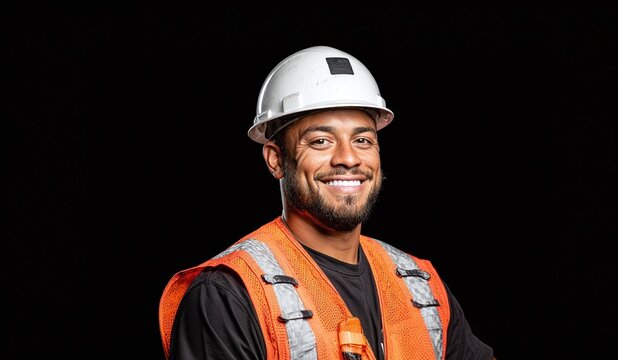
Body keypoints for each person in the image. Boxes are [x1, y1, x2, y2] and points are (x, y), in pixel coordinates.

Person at [158, 45, 496, 360]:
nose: (348, 158)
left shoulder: (419, 285)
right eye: (321, 141)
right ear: (276, 160)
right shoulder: (228, 295)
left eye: (363, 139)